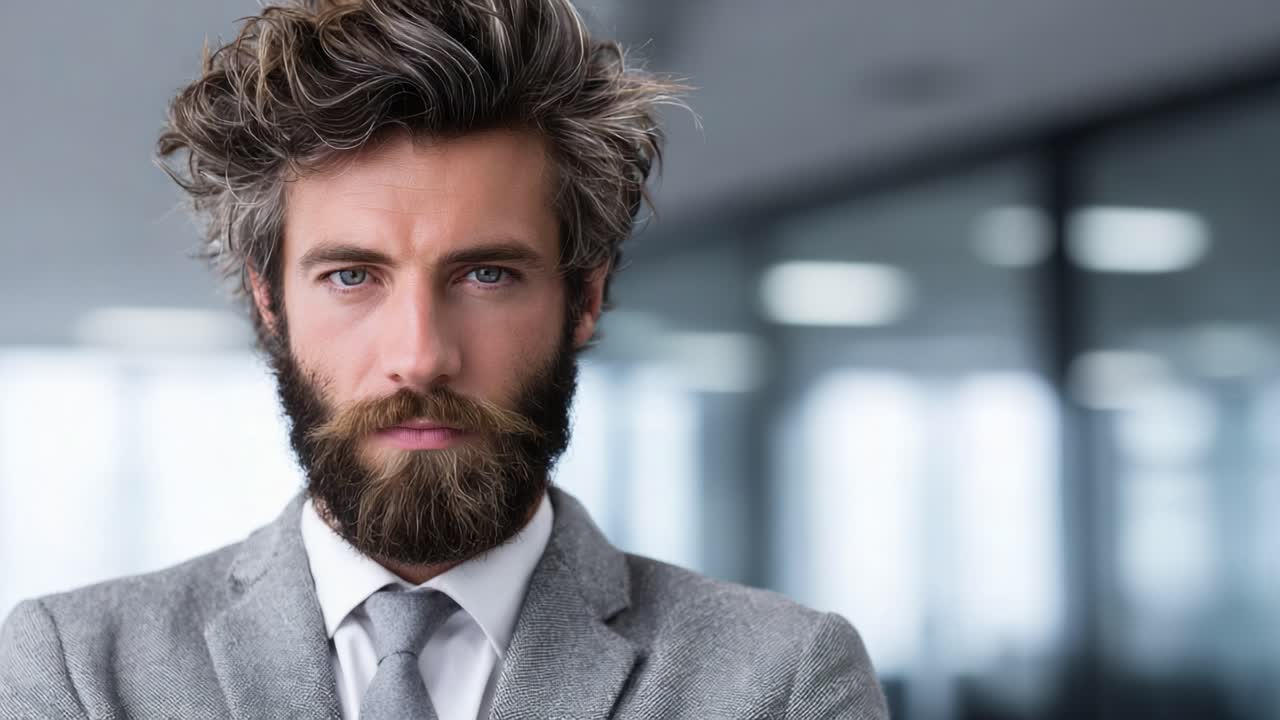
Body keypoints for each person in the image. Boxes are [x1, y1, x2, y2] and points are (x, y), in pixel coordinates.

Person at [0, 1, 888, 717]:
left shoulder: (780, 682)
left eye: (488, 274)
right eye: (352, 276)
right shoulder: (81, 671)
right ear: (270, 301)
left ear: (584, 297)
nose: (419, 357)